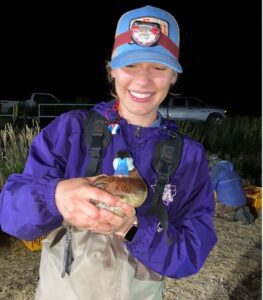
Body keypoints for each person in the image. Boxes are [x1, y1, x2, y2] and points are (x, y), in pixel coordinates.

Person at [0, 5, 217, 300]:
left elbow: (192, 253)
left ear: (174, 76)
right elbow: (12, 216)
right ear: (111, 69)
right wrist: (54, 196)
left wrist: (133, 229)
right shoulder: (70, 131)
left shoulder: (188, 156)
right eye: (130, 66)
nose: (143, 81)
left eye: (158, 68)